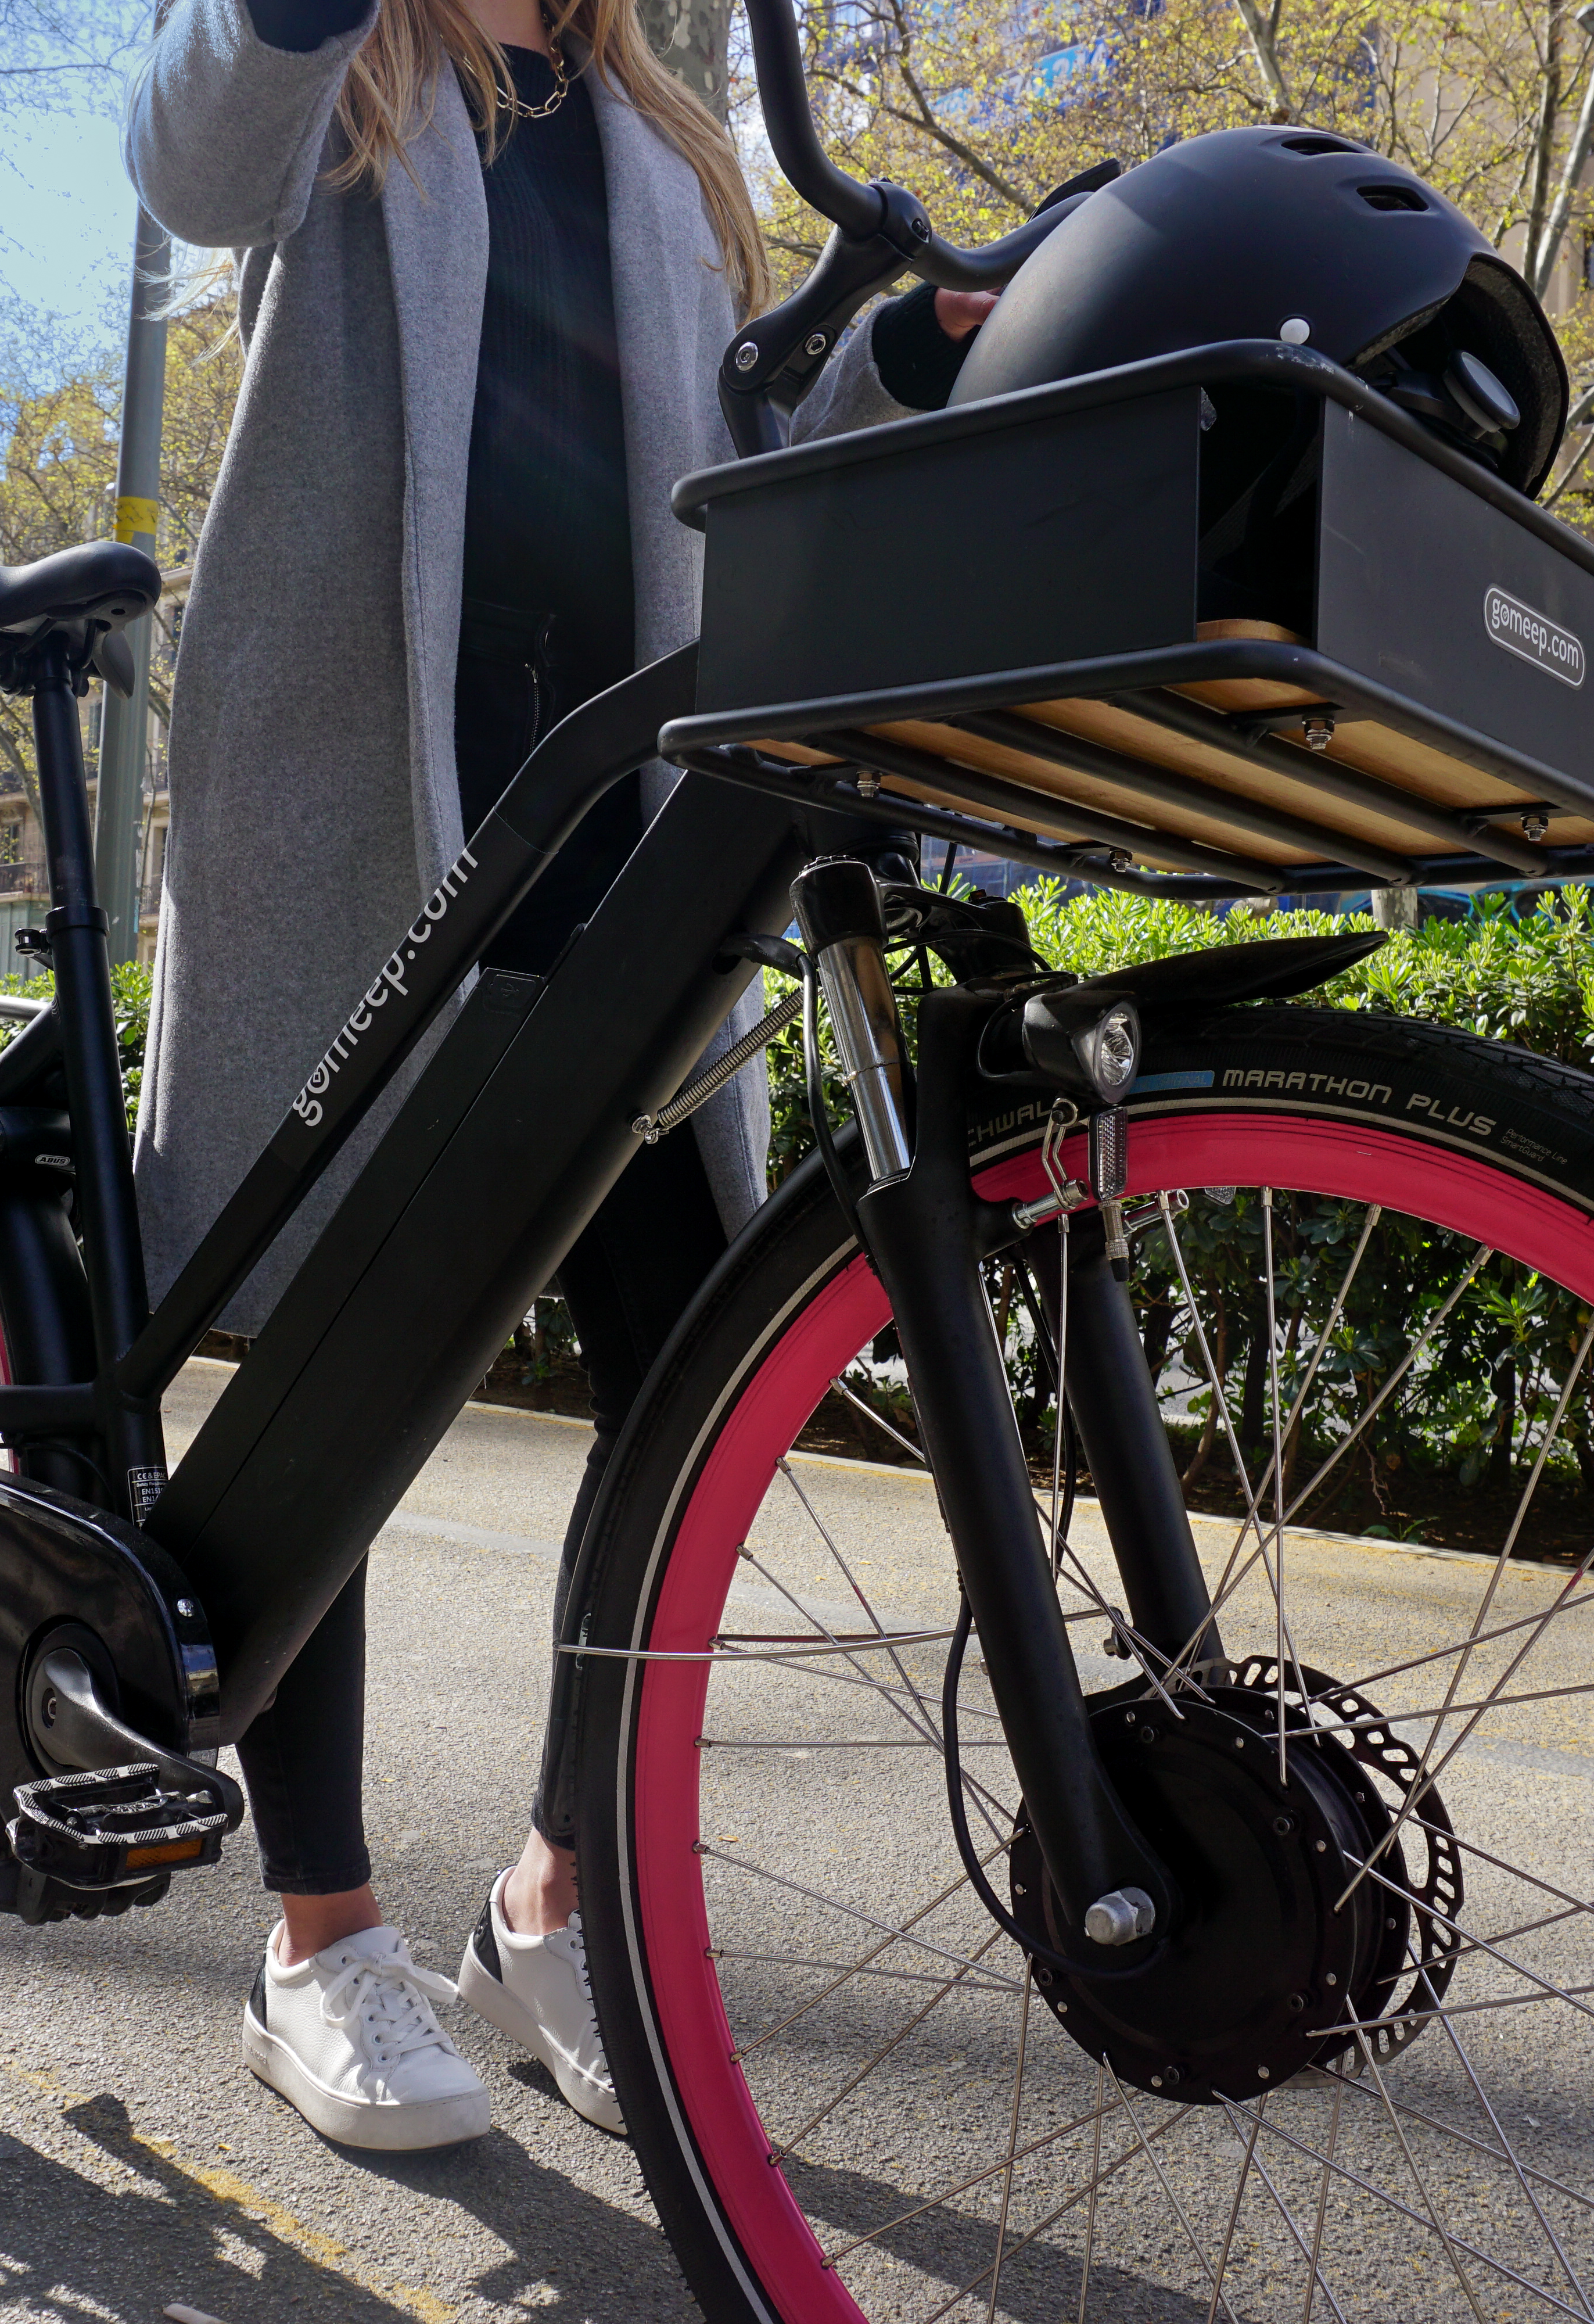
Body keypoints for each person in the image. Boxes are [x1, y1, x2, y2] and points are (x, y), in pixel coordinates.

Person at [127, 0, 989, 2150]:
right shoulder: (350, 69)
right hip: (362, 806)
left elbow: (740, 450)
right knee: (327, 1388)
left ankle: (551, 1898)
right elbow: (185, 166)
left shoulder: (663, 137)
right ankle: (314, 1934)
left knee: (684, 1385)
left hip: (618, 818)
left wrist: (916, 355)